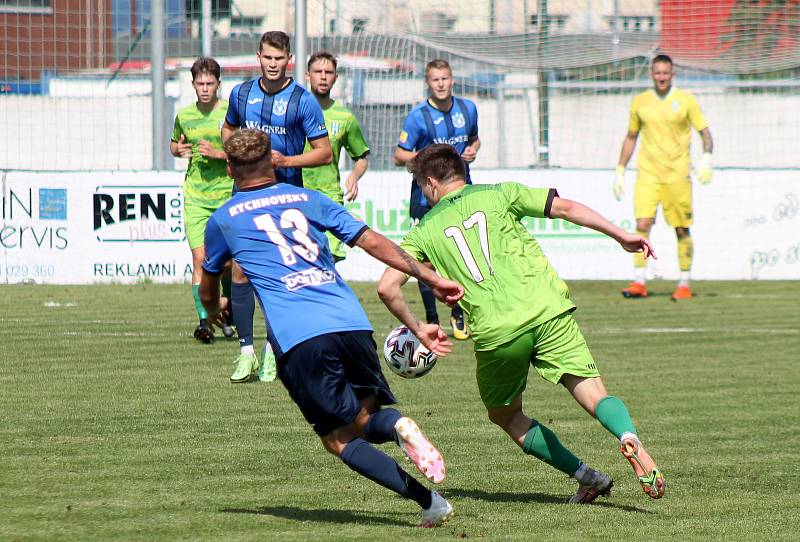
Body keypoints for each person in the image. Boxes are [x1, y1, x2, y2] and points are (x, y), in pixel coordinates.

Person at [199, 129, 463, 527]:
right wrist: (429, 276)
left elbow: (207, 278)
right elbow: (372, 241)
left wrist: (211, 308)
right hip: (351, 323)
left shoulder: (223, 220)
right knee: (363, 421)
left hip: (299, 337)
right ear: (272, 160)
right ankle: (400, 428)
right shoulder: (309, 199)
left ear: (231, 169)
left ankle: (429, 501)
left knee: (338, 440)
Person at [378, 144, 666, 504]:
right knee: (595, 394)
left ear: (432, 183)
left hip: (498, 332)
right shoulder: (501, 192)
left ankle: (586, 476)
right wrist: (621, 235)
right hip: (547, 310)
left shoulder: (424, 231)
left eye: (422, 187)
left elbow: (386, 287)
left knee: (505, 414)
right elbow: (565, 207)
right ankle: (628, 437)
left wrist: (419, 328)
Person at [221, 30, 332, 383]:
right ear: (258, 57)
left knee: (278, 276)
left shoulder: (303, 100)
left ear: (289, 61)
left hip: (284, 197)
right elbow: (227, 130)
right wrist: (236, 151)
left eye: (278, 59)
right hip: (245, 194)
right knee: (239, 269)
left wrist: (289, 160)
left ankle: (273, 351)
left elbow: (324, 152)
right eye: (267, 58)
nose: (272, 64)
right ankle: (245, 353)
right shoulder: (241, 94)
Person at [614, 53, 714, 301]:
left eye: (665, 73)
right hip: (647, 175)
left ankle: (684, 283)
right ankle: (639, 281)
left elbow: (705, 133)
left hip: (678, 175)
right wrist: (619, 170)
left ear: (672, 75)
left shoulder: (687, 100)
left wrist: (707, 158)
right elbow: (631, 137)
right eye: (657, 73)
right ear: (652, 74)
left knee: (681, 229)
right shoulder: (640, 102)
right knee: (642, 225)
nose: (661, 77)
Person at [393, 58, 480, 340]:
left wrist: (472, 150)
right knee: (427, 261)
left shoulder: (468, 109)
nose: (441, 84)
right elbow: (399, 156)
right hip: (425, 196)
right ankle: (432, 317)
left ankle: (459, 312)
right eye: (435, 79)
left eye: (445, 78)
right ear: (427, 83)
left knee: (462, 251)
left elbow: (475, 139)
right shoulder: (418, 116)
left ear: (452, 79)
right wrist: (431, 157)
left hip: (461, 192)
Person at [170, 56, 234, 344]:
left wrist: (219, 154)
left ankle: (229, 308)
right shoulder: (184, 115)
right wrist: (178, 150)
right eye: (200, 83)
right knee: (200, 259)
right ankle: (204, 323)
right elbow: (175, 143)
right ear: (193, 84)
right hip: (195, 196)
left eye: (210, 83)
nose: (205, 88)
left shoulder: (231, 114)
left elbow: (243, 151)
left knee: (230, 264)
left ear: (218, 84)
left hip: (226, 194)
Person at [302, 51, 370, 262]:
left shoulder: (345, 116)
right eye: (318, 71)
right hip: (298, 193)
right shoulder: (294, 109)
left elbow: (361, 157)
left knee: (327, 258)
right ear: (307, 76)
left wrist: (354, 176)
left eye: (328, 72)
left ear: (335, 78)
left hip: (330, 195)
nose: (323, 76)